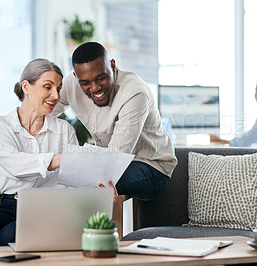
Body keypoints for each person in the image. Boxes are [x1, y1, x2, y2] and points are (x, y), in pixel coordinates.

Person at [0, 58, 79, 247]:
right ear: (26, 87)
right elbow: (14, 165)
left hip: (44, 208)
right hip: (4, 204)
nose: (55, 96)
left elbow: (75, 178)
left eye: (58, 89)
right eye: (47, 87)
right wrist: (59, 159)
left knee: (10, 235)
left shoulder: (64, 130)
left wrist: (98, 188)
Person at [52, 42, 177, 201]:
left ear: (112, 66)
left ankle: (89, 225)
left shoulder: (135, 93)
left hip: (151, 168)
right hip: (107, 158)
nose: (95, 88)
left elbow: (114, 158)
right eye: (85, 83)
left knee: (86, 181)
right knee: (56, 175)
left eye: (101, 78)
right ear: (76, 77)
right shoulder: (72, 82)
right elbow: (45, 112)